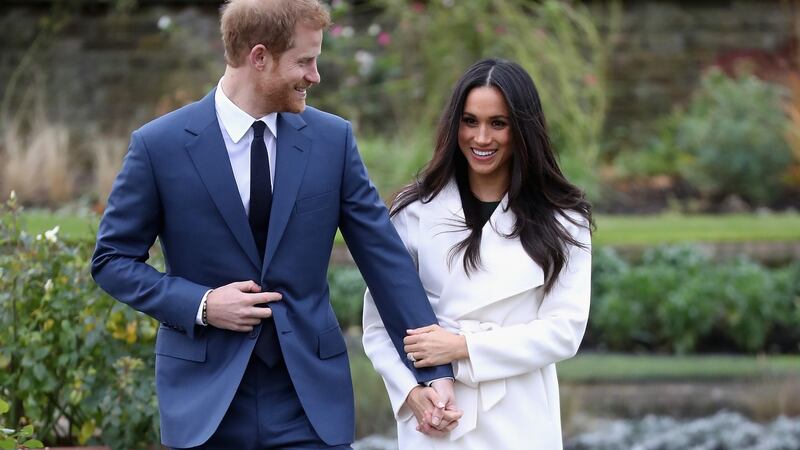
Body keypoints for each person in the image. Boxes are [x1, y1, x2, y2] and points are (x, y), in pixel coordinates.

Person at [91, 1, 456, 448]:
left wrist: (433, 370)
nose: (315, 75)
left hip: (309, 401)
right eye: (304, 61)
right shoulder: (159, 146)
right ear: (259, 57)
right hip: (205, 401)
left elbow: (385, 261)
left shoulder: (332, 141)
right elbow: (111, 260)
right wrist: (202, 303)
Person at [362, 58, 593, 450]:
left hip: (519, 417)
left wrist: (462, 348)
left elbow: (563, 331)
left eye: (498, 123)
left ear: (523, 130)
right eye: (470, 121)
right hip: (437, 415)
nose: (481, 138)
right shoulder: (414, 211)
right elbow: (380, 324)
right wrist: (413, 396)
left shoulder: (564, 218)